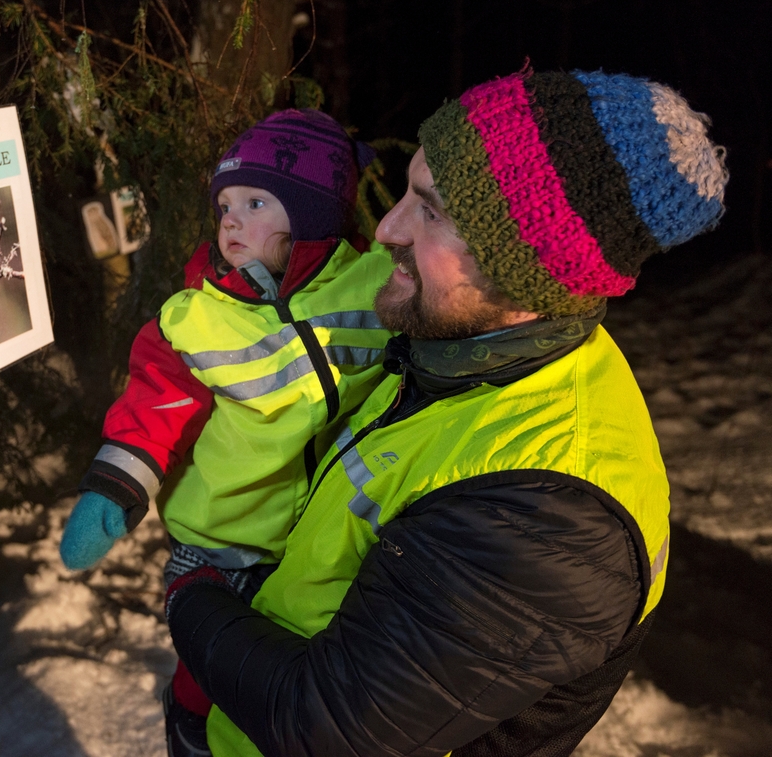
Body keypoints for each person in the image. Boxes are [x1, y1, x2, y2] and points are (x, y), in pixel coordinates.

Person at [163, 68, 728, 757]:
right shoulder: (460, 346)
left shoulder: (548, 517)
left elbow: (325, 724)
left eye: (431, 212)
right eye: (405, 191)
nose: (387, 229)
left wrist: (194, 595)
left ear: (529, 272)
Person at [57, 109, 397, 750]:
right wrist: (113, 490)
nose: (231, 220)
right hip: (224, 537)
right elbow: (151, 407)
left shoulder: (376, 285)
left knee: (306, 664)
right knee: (216, 659)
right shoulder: (197, 319)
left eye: (256, 201)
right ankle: (189, 720)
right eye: (224, 207)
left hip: (333, 529)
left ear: (315, 214)